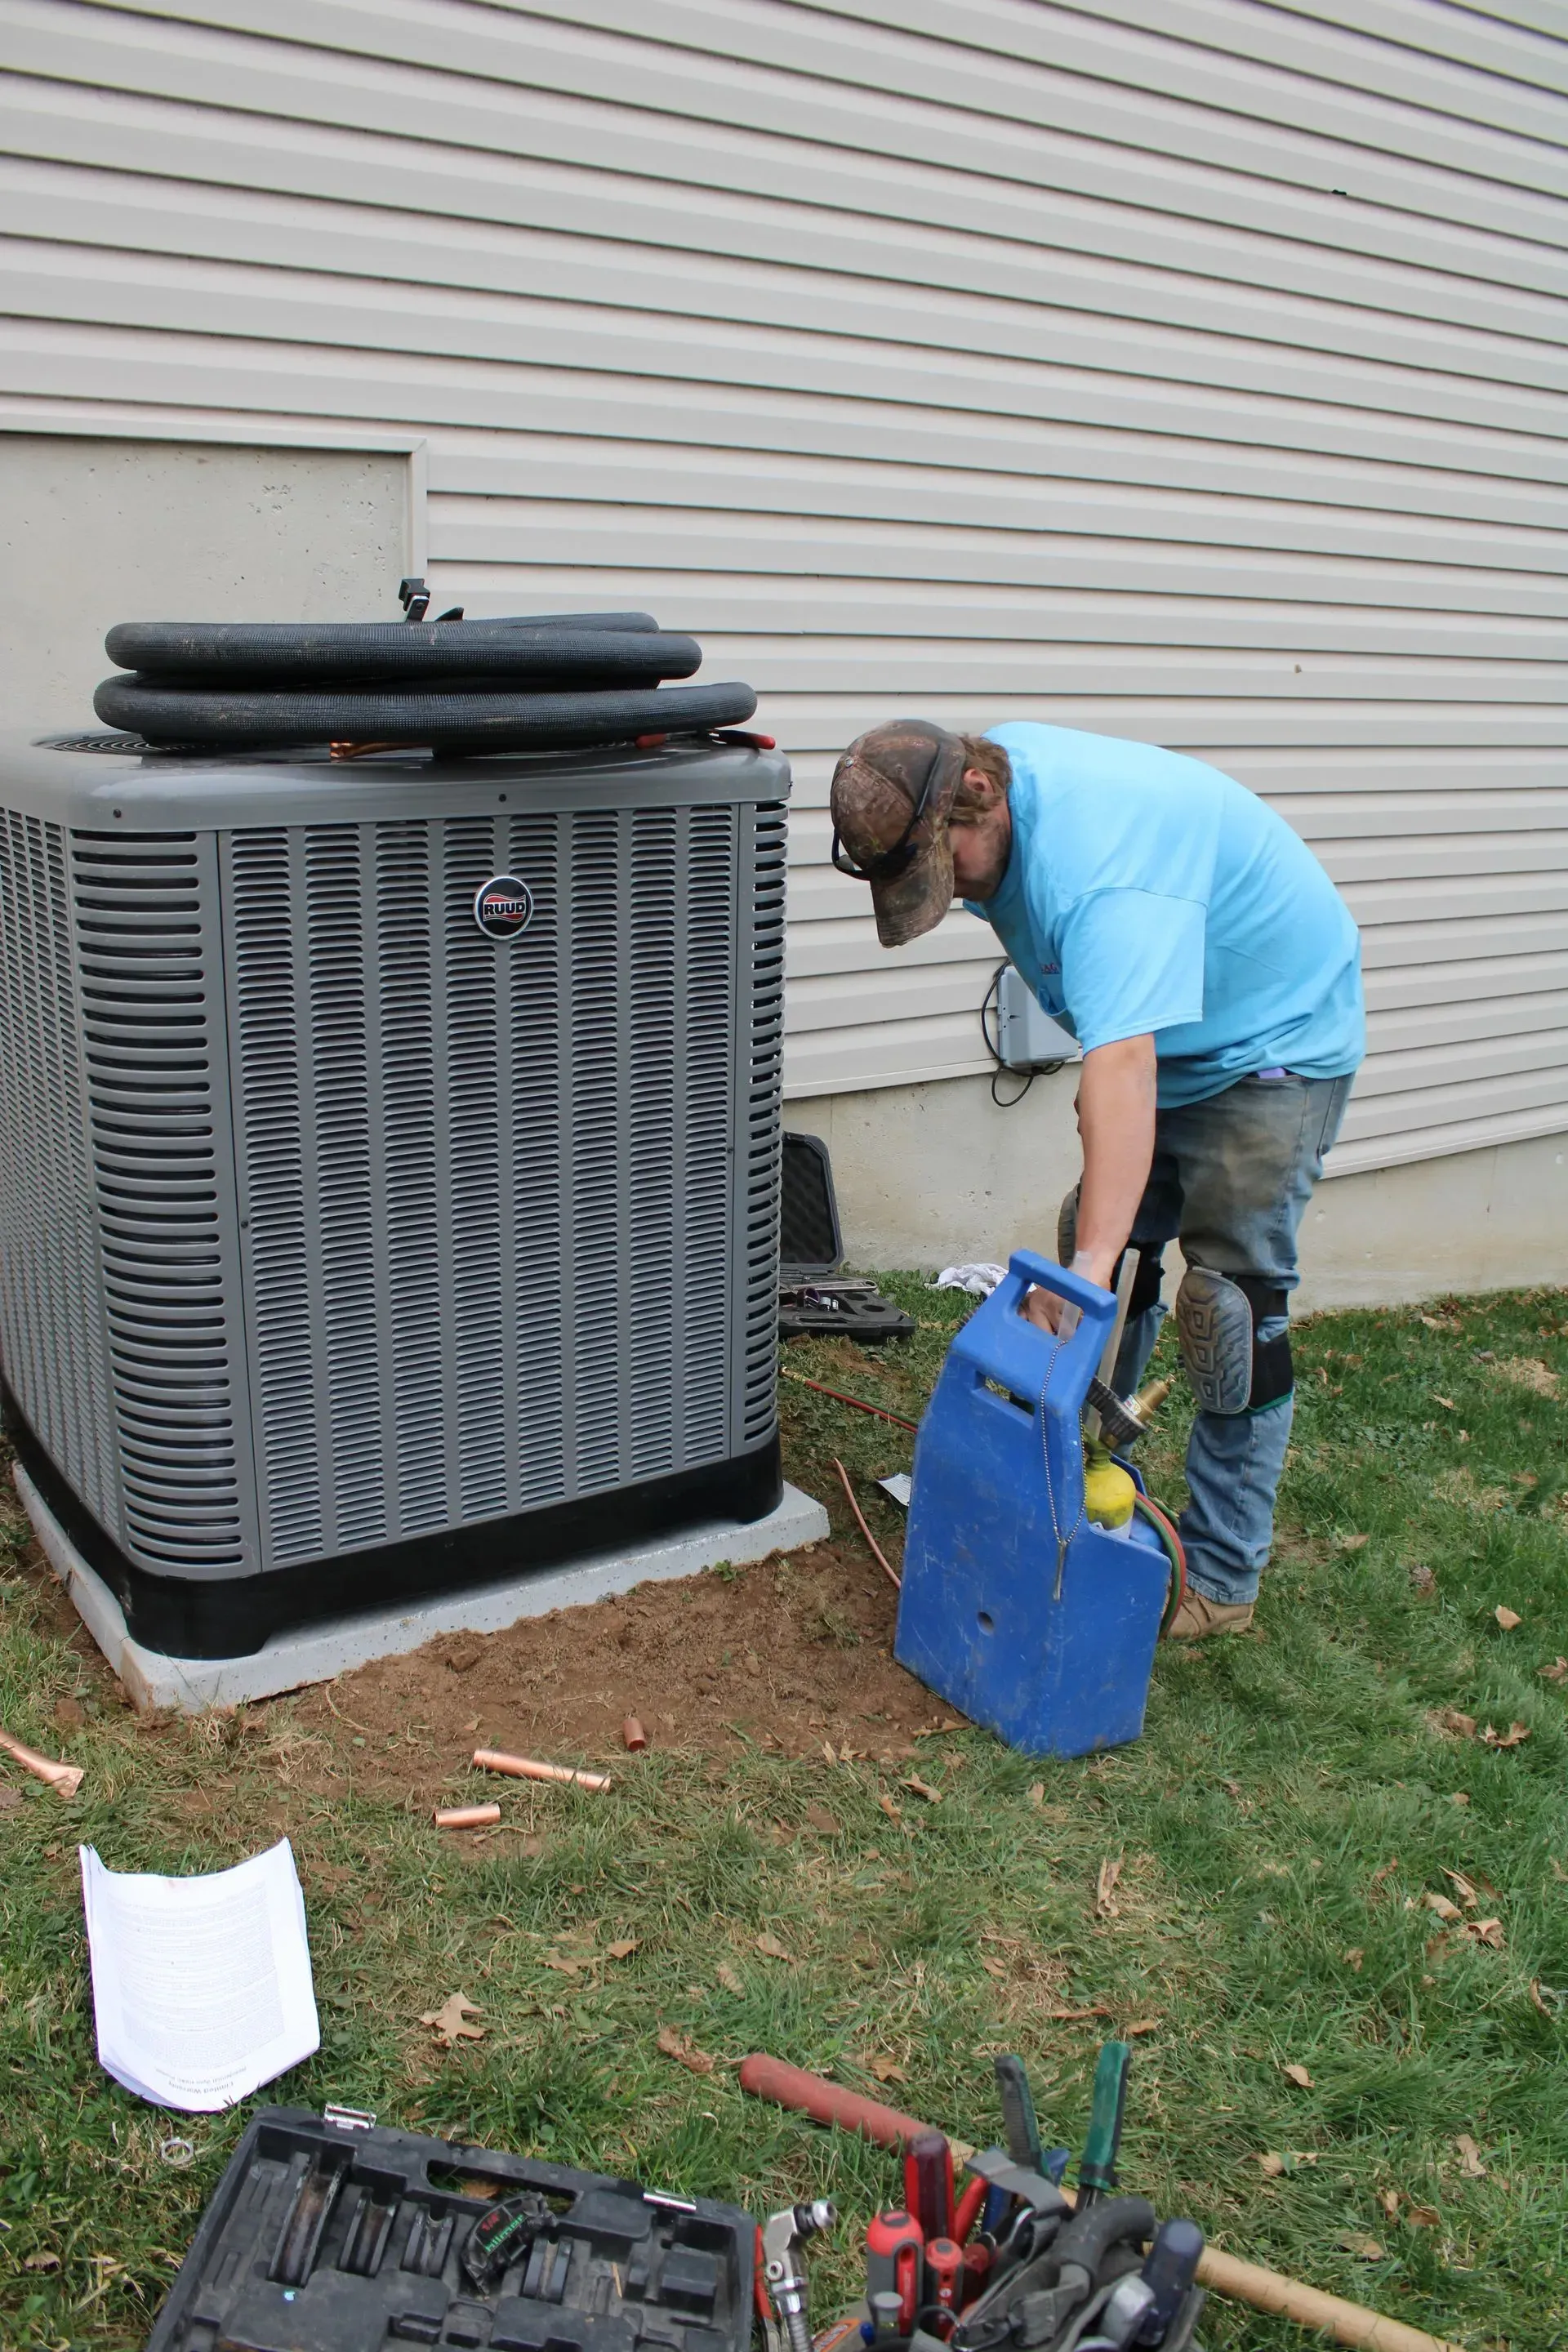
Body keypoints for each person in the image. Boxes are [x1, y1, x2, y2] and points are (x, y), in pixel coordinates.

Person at [828, 717, 1364, 1639]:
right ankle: (1075, 1490)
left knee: (1229, 1305)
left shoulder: (1100, 870)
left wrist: (1087, 1270)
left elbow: (1122, 1065)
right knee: (1101, 1246)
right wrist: (1096, 1259)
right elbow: (1111, 1060)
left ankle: (1222, 1577)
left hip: (1273, 1038)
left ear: (981, 796)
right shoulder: (987, 798)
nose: (947, 891)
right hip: (1165, 1034)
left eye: (942, 863)